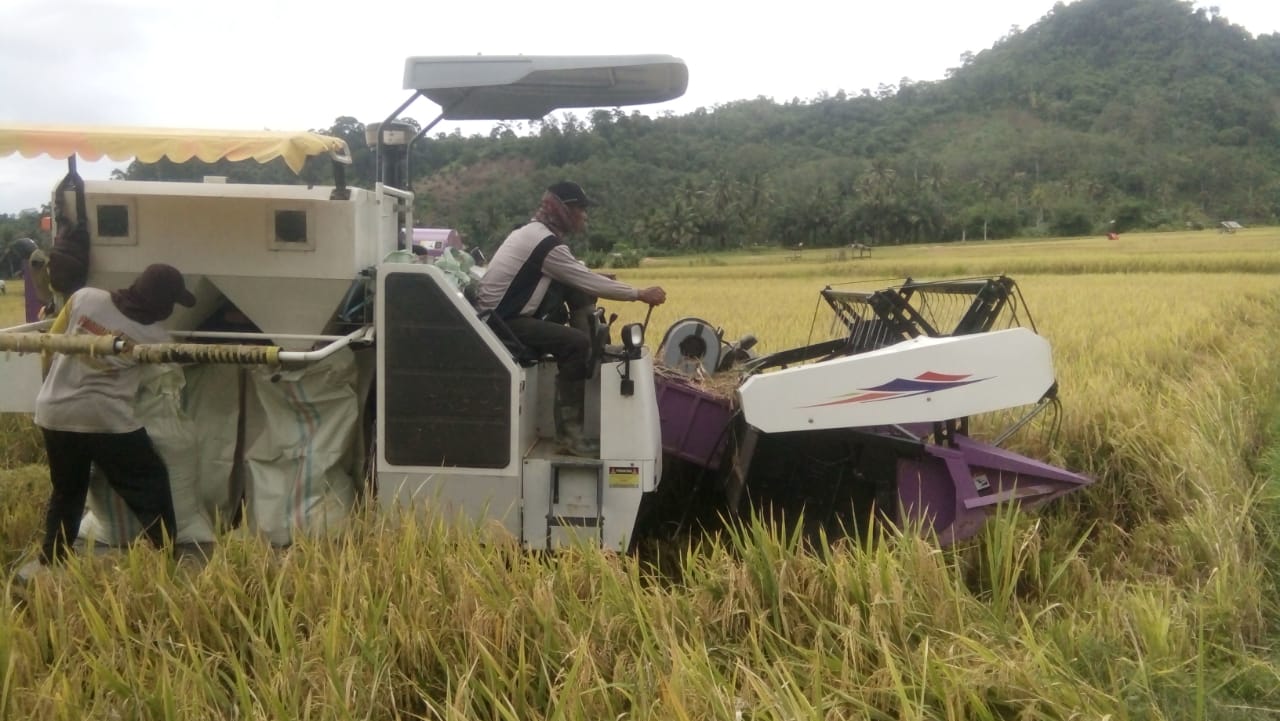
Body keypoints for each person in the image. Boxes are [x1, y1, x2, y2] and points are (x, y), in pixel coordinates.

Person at [475, 181, 666, 457]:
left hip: (505, 315)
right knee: (574, 343)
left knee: (577, 287)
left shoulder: (536, 234)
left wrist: (596, 279)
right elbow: (583, 277)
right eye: (580, 209)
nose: (584, 216)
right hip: (502, 322)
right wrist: (640, 293)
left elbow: (578, 273)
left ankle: (592, 351)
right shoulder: (544, 243)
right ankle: (570, 436)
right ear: (562, 209)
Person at [32, 263, 196, 565]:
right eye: (171, 302)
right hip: (107, 420)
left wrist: (52, 390)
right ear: (160, 302)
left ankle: (52, 558)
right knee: (148, 481)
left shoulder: (85, 298)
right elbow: (158, 380)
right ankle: (167, 552)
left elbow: (48, 347)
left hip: (54, 413)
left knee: (67, 491)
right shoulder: (155, 336)